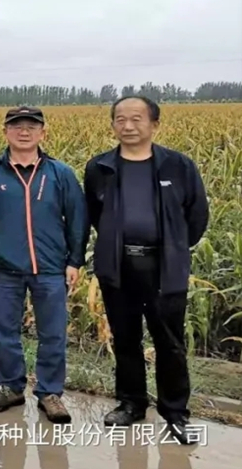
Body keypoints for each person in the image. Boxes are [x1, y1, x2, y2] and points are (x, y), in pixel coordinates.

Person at [84, 96, 209, 444]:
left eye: (136, 118)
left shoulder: (178, 166)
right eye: (120, 119)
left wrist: (173, 248)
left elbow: (196, 215)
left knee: (169, 342)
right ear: (113, 124)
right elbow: (95, 214)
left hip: (164, 267)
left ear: (155, 124)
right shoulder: (100, 167)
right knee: (125, 338)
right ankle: (131, 403)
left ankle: (175, 413)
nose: (128, 125)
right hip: (118, 265)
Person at [0, 106, 87, 424]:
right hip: (4, 268)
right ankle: (11, 387)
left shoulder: (59, 173)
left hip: (51, 268)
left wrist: (74, 260)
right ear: (5, 131)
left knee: (53, 333)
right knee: (5, 331)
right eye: (16, 126)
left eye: (31, 126)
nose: (23, 131)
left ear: (42, 132)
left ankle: (50, 393)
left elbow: (77, 220)